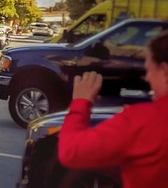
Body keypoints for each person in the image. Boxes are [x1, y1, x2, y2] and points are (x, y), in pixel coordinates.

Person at [58, 32, 168, 188]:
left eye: (150, 70)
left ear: (164, 70)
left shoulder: (144, 121)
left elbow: (70, 152)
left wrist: (81, 103)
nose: (147, 78)